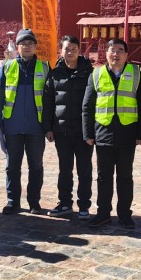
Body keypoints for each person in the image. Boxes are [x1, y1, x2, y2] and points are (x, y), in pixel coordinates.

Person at [82, 38, 141, 229]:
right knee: (103, 177)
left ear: (126, 55)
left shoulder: (136, 74)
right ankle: (103, 213)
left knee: (125, 177)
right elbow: (87, 106)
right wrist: (88, 133)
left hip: (128, 133)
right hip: (103, 133)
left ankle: (125, 214)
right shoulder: (96, 74)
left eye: (120, 50)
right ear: (106, 53)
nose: (116, 54)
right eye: (112, 50)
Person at [0, 28, 50, 214]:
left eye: (30, 43)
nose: (27, 46)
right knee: (12, 166)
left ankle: (34, 202)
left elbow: (51, 99)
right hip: (12, 125)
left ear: (35, 46)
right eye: (23, 43)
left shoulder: (45, 67)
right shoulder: (8, 67)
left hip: (36, 127)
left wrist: (48, 126)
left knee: (36, 166)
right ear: (17, 46)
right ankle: (13, 201)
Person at [43, 36, 94, 219]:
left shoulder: (89, 73)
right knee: (64, 169)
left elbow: (94, 103)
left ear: (79, 51)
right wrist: (48, 128)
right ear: (61, 51)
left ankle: (84, 206)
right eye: (66, 49)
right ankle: (65, 203)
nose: (70, 52)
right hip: (61, 130)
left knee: (84, 170)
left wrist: (91, 130)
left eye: (74, 49)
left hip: (83, 132)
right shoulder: (55, 73)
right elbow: (48, 102)